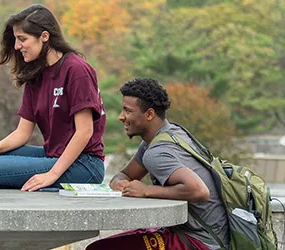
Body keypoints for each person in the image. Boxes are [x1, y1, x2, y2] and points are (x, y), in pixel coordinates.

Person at [0, 4, 106, 191]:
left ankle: (49, 183)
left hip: (85, 164)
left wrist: (52, 174)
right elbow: (22, 132)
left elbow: (84, 132)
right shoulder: (36, 73)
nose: (17, 46)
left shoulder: (76, 69)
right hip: (52, 156)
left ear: (44, 36)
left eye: (22, 39)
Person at [87, 78, 228, 250]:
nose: (121, 116)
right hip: (193, 233)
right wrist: (119, 182)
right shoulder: (169, 134)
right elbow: (125, 174)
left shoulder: (157, 152)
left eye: (127, 111)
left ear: (149, 114)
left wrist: (146, 191)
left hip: (199, 242)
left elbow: (199, 190)